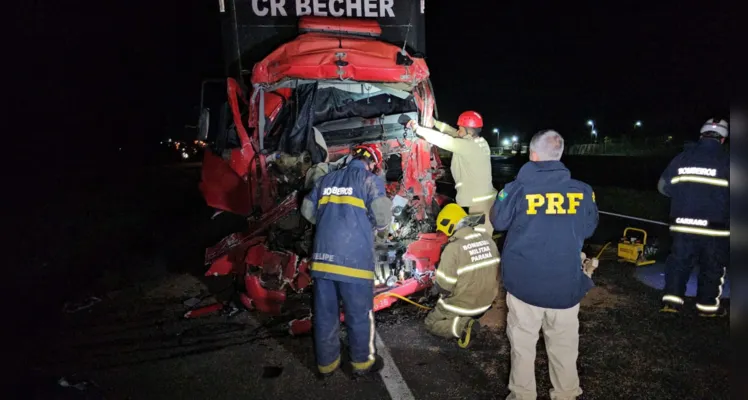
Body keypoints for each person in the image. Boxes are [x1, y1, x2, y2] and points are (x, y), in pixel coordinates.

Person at [490, 130, 598, 400]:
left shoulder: (517, 189)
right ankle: (566, 394)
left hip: (524, 285)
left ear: (532, 155)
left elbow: (498, 221)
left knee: (523, 345)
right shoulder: (583, 191)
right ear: (559, 155)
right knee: (564, 346)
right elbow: (588, 228)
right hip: (565, 285)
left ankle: (522, 395)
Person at [300, 143, 393, 377]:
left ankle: (327, 365)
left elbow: (306, 211)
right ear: (372, 163)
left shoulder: (326, 180)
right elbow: (383, 219)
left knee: (325, 314)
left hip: (322, 261)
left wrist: (329, 220)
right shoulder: (370, 180)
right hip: (354, 261)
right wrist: (373, 227)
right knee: (359, 314)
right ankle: (362, 364)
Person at [657, 118, 730, 317]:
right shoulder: (728, 161)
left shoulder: (682, 158)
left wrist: (684, 194)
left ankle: (671, 303)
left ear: (701, 136)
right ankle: (707, 308)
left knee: (678, 263)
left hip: (682, 225)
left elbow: (662, 187)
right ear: (723, 140)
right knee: (712, 267)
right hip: (715, 228)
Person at [424, 203, 501, 348]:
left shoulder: (453, 248)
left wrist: (434, 289)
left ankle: (463, 326)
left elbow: (444, 288)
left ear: (449, 225)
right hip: (487, 302)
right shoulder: (487, 239)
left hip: (466, 307)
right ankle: (468, 318)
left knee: (431, 323)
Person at [406, 112, 496, 233]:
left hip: (478, 205)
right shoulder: (479, 142)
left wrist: (417, 129)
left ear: (468, 131)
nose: (457, 131)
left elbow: (444, 140)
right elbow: (452, 132)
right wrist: (435, 123)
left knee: (479, 239)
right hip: (482, 200)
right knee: (472, 237)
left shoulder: (469, 146)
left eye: (460, 128)